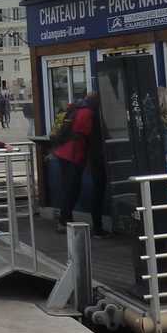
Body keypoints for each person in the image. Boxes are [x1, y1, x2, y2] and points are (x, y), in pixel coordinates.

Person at [54, 93, 106, 236]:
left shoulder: (77, 108)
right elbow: (91, 137)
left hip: (62, 152)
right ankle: (63, 221)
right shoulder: (90, 113)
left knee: (68, 188)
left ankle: (66, 219)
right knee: (73, 189)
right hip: (74, 155)